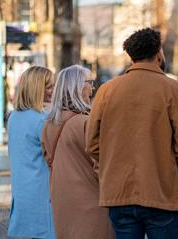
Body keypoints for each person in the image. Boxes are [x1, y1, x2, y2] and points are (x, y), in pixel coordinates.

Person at [86, 27, 178, 239]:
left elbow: (93, 144)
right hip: (162, 194)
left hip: (119, 194)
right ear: (159, 53)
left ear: (131, 57)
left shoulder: (106, 91)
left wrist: (109, 174)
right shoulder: (175, 91)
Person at [41, 65, 114, 239]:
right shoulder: (86, 123)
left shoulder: (49, 123)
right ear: (77, 86)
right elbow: (102, 166)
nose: (92, 88)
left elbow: (47, 159)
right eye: (90, 82)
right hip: (91, 201)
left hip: (62, 198)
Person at [7, 66, 55, 238]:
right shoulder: (42, 120)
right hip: (41, 193)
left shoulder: (13, 117)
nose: (53, 90)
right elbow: (53, 157)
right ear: (37, 88)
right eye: (49, 86)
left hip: (21, 191)